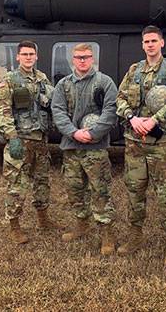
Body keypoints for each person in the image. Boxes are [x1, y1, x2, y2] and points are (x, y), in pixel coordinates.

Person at [115, 25, 166, 265]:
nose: (150, 45)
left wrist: (155, 120)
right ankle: (135, 235)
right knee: (134, 191)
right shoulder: (134, 70)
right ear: (142, 44)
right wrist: (131, 117)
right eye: (146, 41)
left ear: (162, 43)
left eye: (153, 41)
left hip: (162, 143)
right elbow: (120, 98)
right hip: (135, 142)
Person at [51, 43, 119, 255]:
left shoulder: (104, 82)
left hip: (95, 149)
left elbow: (111, 111)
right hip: (71, 147)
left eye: (87, 57)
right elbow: (58, 111)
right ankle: (82, 223)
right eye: (79, 57)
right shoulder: (63, 85)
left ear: (93, 59)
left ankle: (107, 232)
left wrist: (93, 133)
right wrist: (74, 132)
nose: (82, 60)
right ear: (73, 60)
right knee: (74, 189)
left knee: (100, 190)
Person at [0, 40, 59, 245]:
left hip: (40, 140)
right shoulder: (10, 81)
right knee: (17, 186)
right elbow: (2, 111)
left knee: (42, 183)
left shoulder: (43, 79)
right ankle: (14, 226)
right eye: (25, 54)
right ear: (18, 57)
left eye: (31, 54)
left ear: (37, 56)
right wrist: (11, 137)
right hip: (20, 141)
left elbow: (51, 105)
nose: (28, 57)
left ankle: (43, 219)